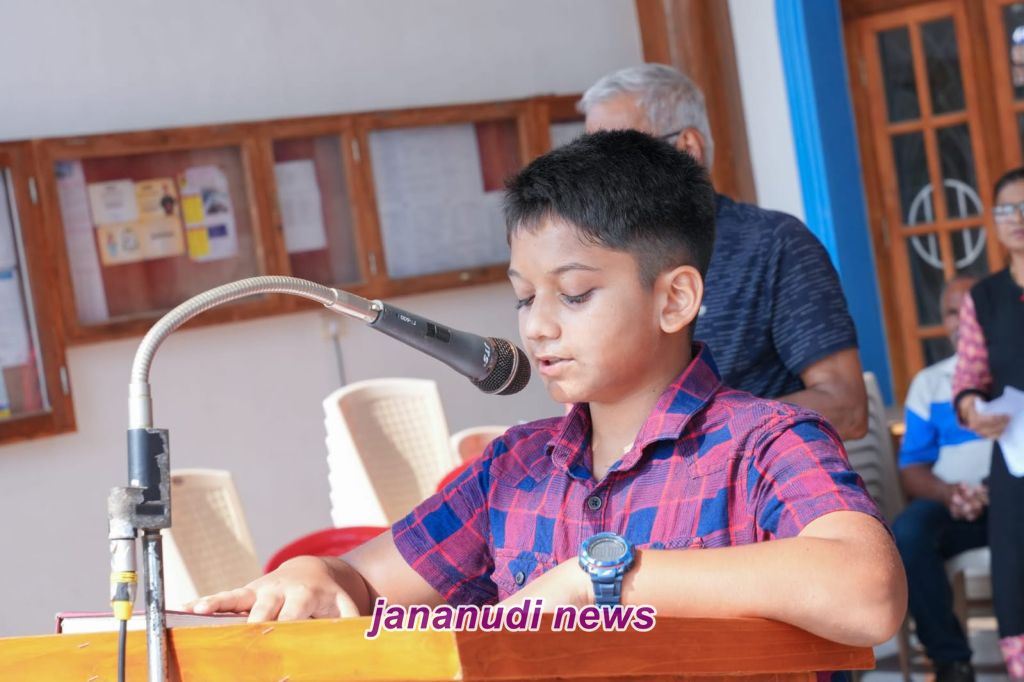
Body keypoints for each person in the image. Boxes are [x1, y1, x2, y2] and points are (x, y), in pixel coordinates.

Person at [188, 131, 904, 654]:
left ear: (675, 299)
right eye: (525, 297)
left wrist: (595, 580)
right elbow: (360, 581)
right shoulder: (514, 468)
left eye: (575, 294)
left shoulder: (764, 443)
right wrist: (312, 572)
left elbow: (868, 591)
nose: (537, 326)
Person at [579, 64, 867, 441]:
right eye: (591, 163)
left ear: (688, 148)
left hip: (756, 474)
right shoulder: (601, 263)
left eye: (619, 159)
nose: (601, 181)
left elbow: (847, 407)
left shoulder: (772, 244)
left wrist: (697, 436)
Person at [892, 275, 990, 682]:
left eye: (973, 310)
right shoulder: (929, 384)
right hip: (955, 508)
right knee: (908, 532)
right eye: (953, 312)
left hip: (1014, 503)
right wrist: (950, 494)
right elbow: (912, 470)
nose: (963, 322)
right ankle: (951, 663)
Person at [954, 167, 1024, 679]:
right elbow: (969, 379)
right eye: (1005, 209)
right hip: (1016, 458)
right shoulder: (984, 298)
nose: (1016, 217)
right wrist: (974, 411)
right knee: (1016, 576)